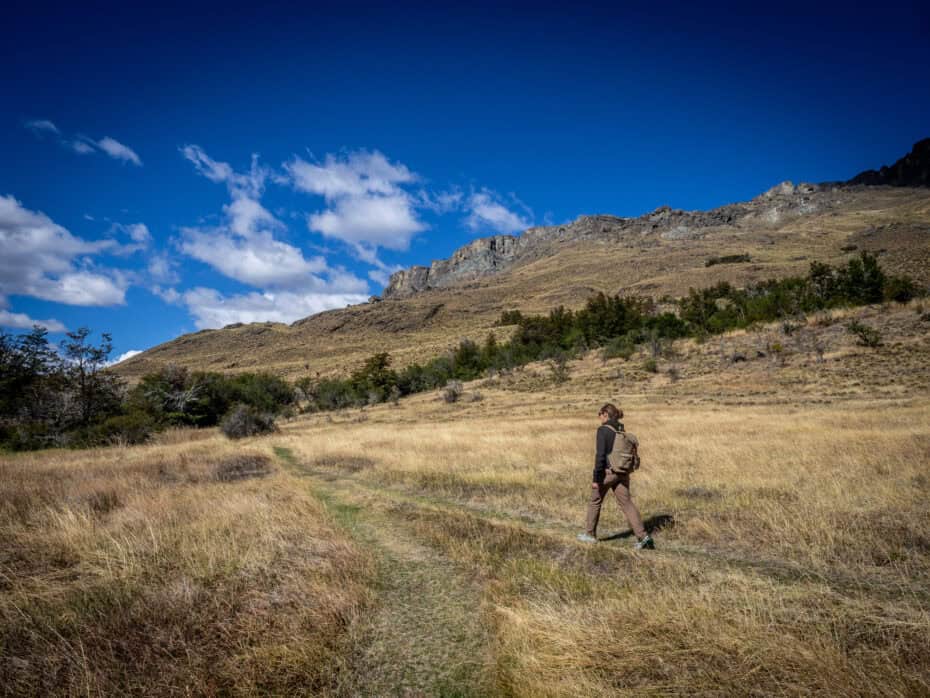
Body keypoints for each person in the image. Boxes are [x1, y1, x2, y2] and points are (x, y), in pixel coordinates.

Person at [577, 403, 655, 549]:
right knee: (627, 504)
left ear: (605, 414)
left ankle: (589, 535)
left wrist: (596, 479)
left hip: (608, 473)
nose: (599, 417)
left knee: (595, 500)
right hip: (623, 473)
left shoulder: (603, 430)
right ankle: (643, 537)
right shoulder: (621, 429)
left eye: (599, 414)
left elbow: (600, 456)